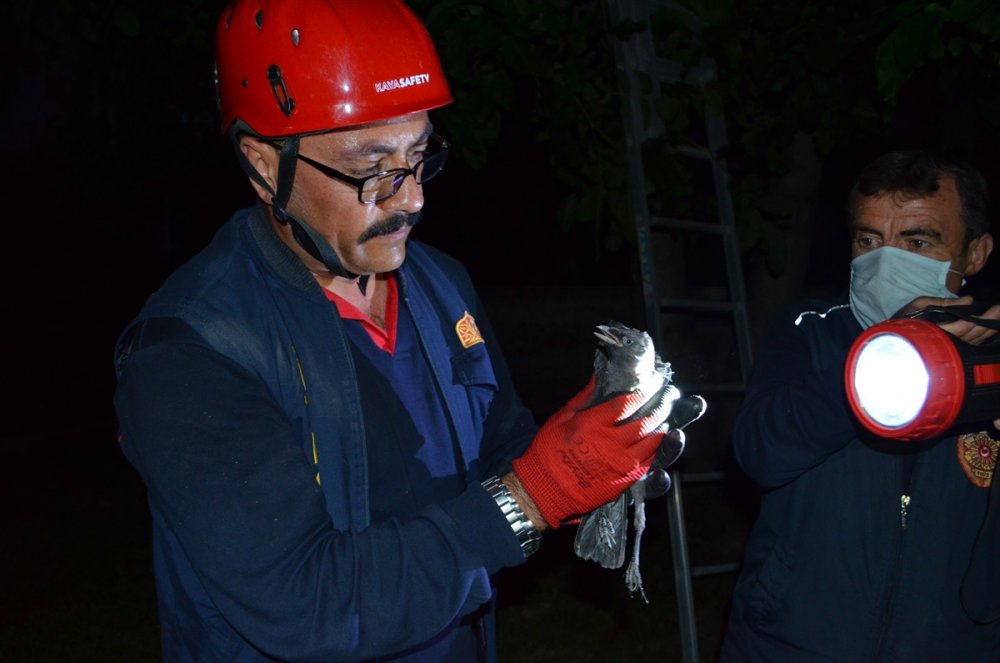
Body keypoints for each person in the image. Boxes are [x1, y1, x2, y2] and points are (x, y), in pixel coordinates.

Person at [111, 2, 693, 662]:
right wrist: (530, 498)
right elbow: (306, 603)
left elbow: (499, 444)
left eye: (419, 156)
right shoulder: (192, 352)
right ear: (266, 165)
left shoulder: (441, 285)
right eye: (372, 168)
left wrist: (590, 454)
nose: (411, 197)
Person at [720, 150, 1000, 661]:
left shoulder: (993, 355)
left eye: (917, 242)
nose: (885, 261)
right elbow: (759, 453)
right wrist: (886, 352)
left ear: (976, 253)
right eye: (868, 240)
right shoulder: (810, 330)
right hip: (790, 644)